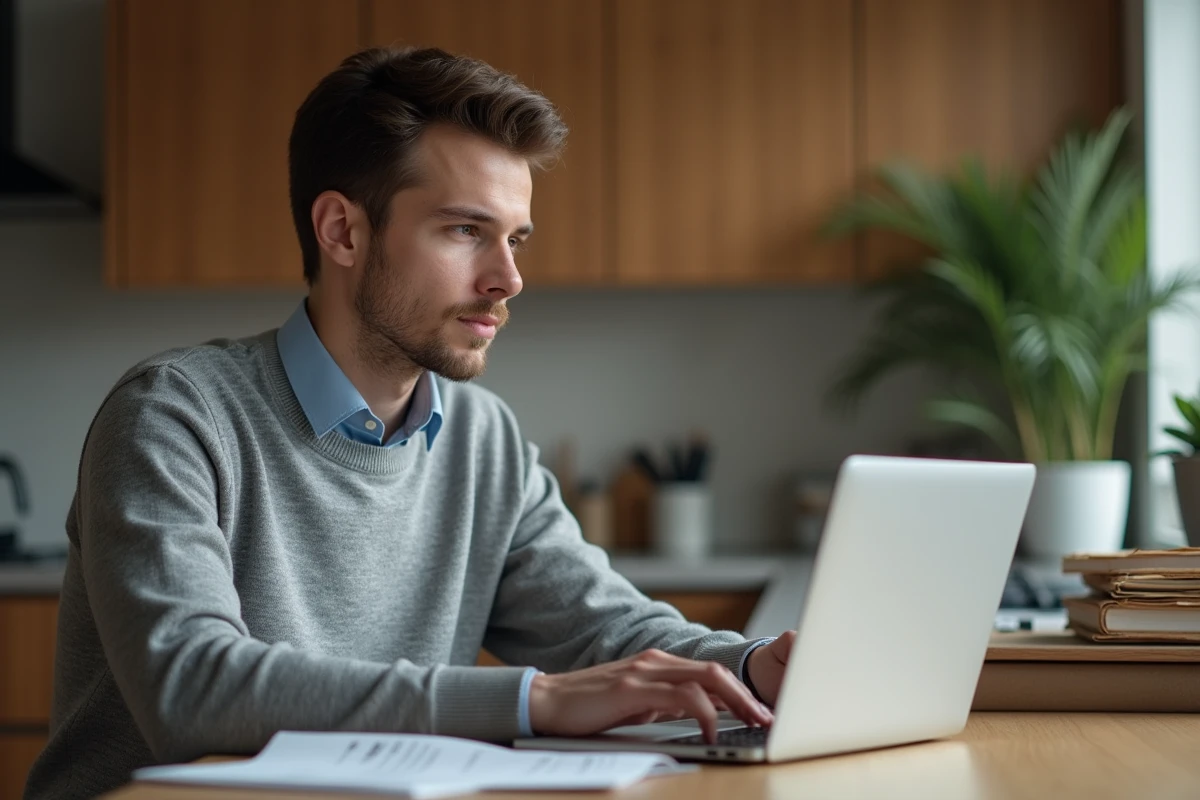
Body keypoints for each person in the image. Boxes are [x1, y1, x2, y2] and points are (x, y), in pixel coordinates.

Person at [24, 46, 795, 800]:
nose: (508, 279)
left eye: (514, 238)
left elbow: (607, 630)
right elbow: (191, 687)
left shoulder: (481, 437)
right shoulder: (173, 414)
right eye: (465, 231)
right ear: (343, 232)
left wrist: (759, 665)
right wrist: (535, 701)